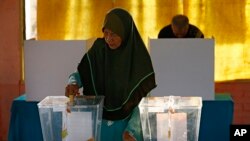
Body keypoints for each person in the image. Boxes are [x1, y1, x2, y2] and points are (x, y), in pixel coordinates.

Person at [65, 8, 156, 141]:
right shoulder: (99, 49)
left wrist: (132, 131)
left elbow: (142, 100)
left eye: (114, 34)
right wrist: (73, 82)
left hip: (125, 130)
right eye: (106, 33)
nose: (108, 39)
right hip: (99, 125)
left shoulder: (138, 59)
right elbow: (82, 72)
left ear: (125, 33)